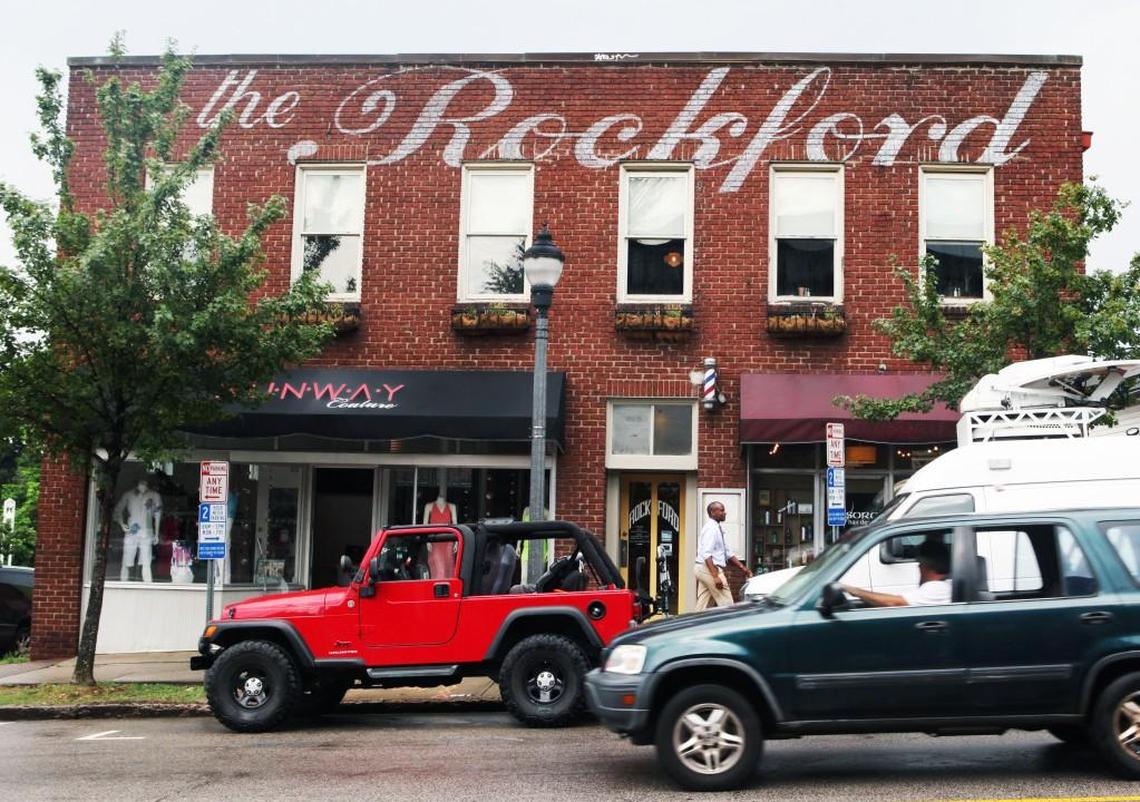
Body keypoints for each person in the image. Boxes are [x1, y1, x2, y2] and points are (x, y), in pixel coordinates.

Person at [842, 539, 951, 607]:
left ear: (925, 566)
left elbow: (894, 602)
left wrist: (855, 591)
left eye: (920, 563)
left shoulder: (937, 588)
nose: (918, 567)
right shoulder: (942, 586)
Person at [695, 501, 752, 610]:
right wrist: (715, 576)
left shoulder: (716, 527)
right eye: (721, 510)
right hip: (708, 568)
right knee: (727, 604)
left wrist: (743, 568)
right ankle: (731, 620)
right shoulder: (711, 528)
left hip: (703, 568)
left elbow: (727, 552)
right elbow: (706, 554)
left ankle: (694, 621)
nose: (724, 513)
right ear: (712, 512)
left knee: (703, 605)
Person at [113, 478, 163, 582]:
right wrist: (122, 524)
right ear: (137, 484)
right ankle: (123, 583)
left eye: (145, 483)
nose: (143, 485)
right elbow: (118, 510)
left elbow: (158, 514)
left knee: (146, 562)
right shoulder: (128, 495)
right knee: (126, 560)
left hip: (146, 531)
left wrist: (156, 534)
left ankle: (148, 584)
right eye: (140, 483)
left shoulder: (154, 495)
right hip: (132, 530)